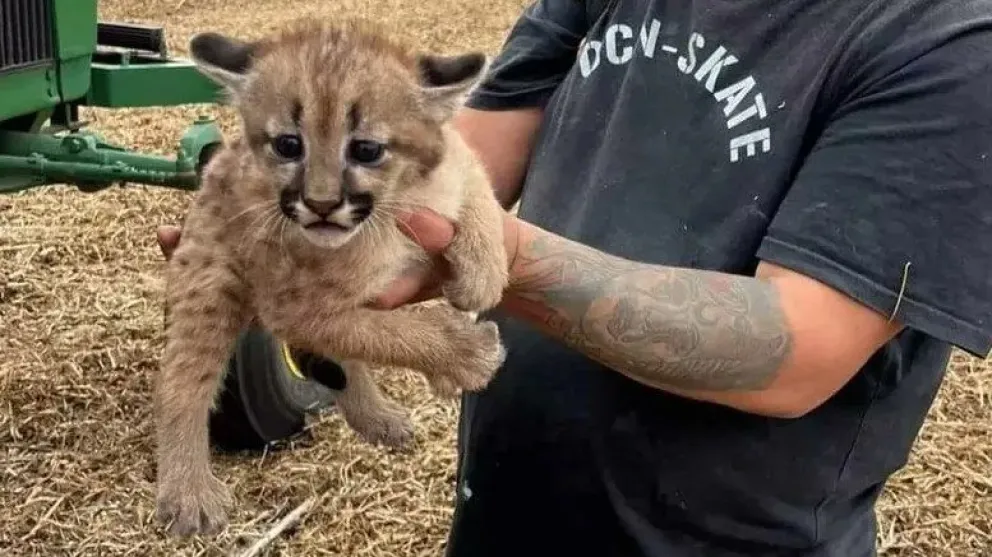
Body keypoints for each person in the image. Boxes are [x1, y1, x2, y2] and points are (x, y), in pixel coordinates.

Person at [157, 0, 992, 554]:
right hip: (510, 509)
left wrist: (504, 266)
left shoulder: (943, 42)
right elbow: (461, 155)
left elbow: (792, 351)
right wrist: (320, 238)